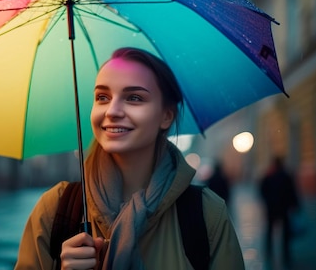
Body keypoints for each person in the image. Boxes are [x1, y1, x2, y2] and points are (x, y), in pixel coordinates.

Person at [14, 47, 244, 269]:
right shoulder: (54, 209)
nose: (112, 111)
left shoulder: (206, 214)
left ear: (166, 116)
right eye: (102, 97)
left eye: (134, 98)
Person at [259, 156, 299, 269]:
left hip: (272, 208)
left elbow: (262, 190)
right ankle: (286, 254)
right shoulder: (286, 176)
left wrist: (267, 201)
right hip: (283, 209)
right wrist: (295, 205)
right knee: (285, 233)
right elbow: (292, 191)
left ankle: (268, 251)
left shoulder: (268, 176)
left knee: (270, 230)